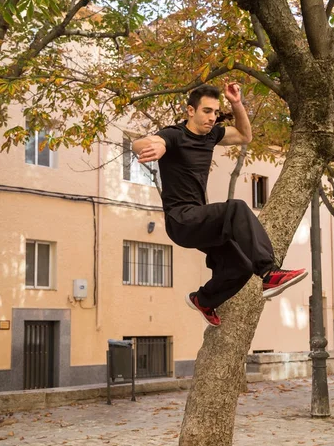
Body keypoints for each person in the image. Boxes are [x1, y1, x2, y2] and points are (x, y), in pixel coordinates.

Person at [132, 82, 307, 327]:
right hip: (181, 220)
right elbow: (137, 144)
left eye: (215, 112)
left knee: (242, 266)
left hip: (200, 221)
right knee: (236, 208)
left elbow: (245, 135)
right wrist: (158, 146)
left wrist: (236, 103)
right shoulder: (173, 135)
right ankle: (269, 272)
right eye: (206, 111)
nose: (212, 117)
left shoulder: (212, 135)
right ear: (191, 111)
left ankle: (203, 300)